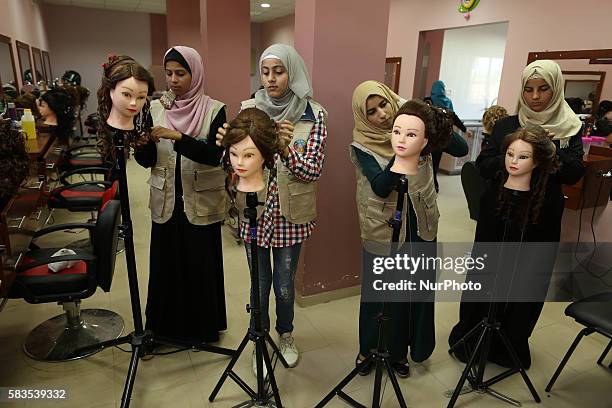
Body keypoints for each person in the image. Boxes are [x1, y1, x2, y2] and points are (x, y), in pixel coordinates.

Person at [455, 59, 585, 368]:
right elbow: (484, 165)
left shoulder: (569, 128)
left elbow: (574, 172)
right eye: (529, 89)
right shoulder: (505, 126)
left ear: (556, 90)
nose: (535, 96)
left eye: (543, 89)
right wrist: (513, 154)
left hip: (540, 218)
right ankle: (473, 337)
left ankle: (510, 344)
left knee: (526, 279)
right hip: (498, 214)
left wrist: (550, 154)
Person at [217, 43, 327, 372]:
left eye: (278, 71)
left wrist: (284, 147)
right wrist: (225, 147)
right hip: (254, 210)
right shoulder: (249, 109)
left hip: (291, 215)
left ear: (292, 72)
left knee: (283, 284)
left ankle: (286, 335)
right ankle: (258, 339)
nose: (270, 79)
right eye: (265, 72)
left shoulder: (313, 114)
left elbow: (312, 170)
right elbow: (235, 162)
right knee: (258, 283)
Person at [350, 84, 452, 377]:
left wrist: (423, 117)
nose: (382, 114)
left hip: (420, 225)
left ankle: (397, 352)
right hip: (383, 228)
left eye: (385, 104)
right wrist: (404, 148)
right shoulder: (363, 145)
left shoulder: (419, 127)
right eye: (372, 111)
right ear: (363, 116)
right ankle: (369, 349)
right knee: (379, 293)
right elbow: (381, 187)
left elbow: (458, 147)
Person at [134, 46, 228, 345]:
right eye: (169, 73)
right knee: (166, 266)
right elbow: (147, 161)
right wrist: (143, 144)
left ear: (195, 74)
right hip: (166, 199)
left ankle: (202, 330)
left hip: (200, 199)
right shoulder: (155, 108)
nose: (173, 80)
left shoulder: (215, 109)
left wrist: (179, 137)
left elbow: (215, 155)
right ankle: (164, 329)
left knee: (200, 265)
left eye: (181, 73)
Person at [449, 126, 560, 369]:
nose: (513, 161)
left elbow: (544, 246)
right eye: (510, 154)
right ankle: (476, 336)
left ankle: (506, 345)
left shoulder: (547, 199)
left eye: (523, 157)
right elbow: (483, 242)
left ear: (538, 160)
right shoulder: (493, 192)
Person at [427, 81, 469, 191]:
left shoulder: (428, 100)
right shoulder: (448, 102)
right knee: (435, 163)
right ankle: (434, 184)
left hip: (430, 138)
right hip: (442, 138)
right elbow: (454, 117)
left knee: (428, 163)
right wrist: (465, 130)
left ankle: (430, 184)